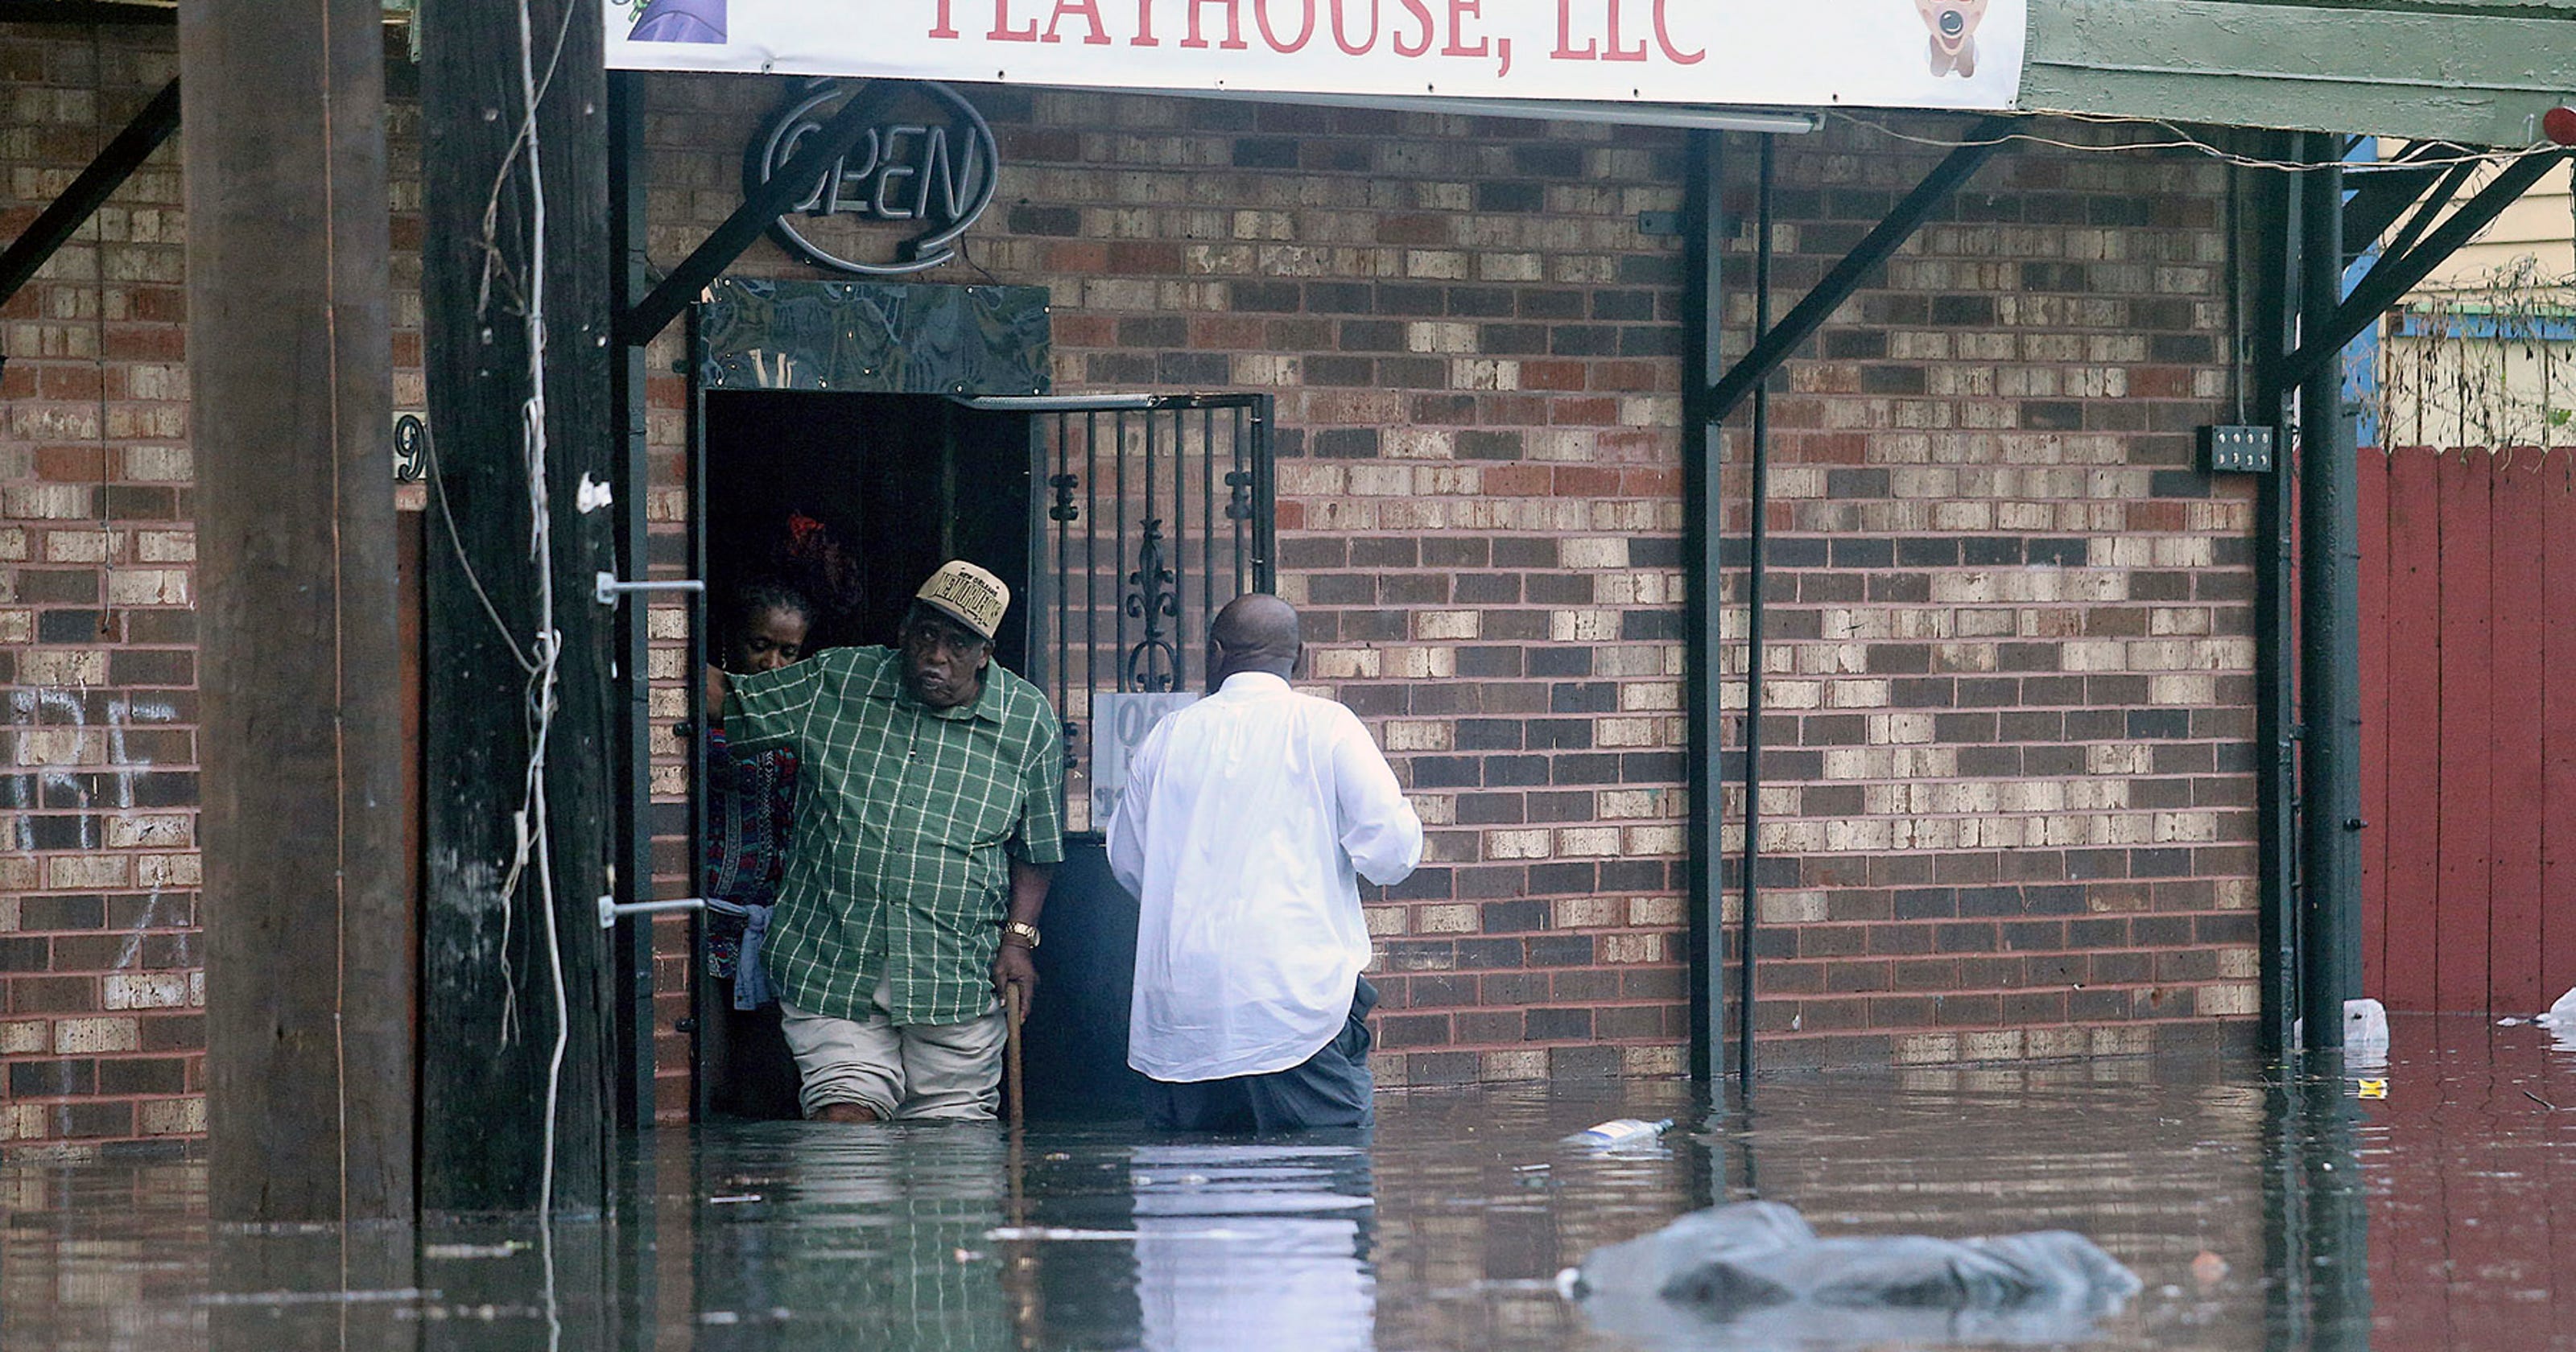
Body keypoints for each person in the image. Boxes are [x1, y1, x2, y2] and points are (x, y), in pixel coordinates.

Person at [705, 560, 1064, 1123]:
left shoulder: (1027, 721)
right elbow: (729, 700)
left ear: (985, 653)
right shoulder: (838, 681)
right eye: (926, 634)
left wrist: (1018, 941)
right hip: (832, 961)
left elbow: (1037, 847)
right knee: (844, 1126)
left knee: (950, 1152)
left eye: (958, 643)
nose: (937, 656)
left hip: (955, 977)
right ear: (903, 632)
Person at [1106, 593, 1422, 1131]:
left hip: (1183, 1014)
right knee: (1323, 1190)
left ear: (1216, 653)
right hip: (1295, 1009)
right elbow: (1393, 853)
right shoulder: (1327, 727)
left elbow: (1128, 862)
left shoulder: (1166, 738)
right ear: (1300, 657)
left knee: (1191, 1200)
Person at [701, 578, 815, 1119]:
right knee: (709, 1077)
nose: (773, 662)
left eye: (788, 651)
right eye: (760, 645)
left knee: (772, 1083)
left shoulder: (808, 718)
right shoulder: (697, 712)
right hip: (709, 927)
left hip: (779, 930)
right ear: (730, 641)